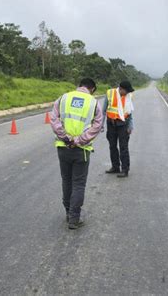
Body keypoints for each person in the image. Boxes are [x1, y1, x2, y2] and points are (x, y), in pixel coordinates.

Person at [50, 78, 103, 230]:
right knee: (78, 183)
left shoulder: (63, 98)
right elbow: (97, 126)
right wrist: (79, 140)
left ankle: (68, 212)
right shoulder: (93, 102)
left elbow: (54, 120)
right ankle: (74, 218)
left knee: (66, 181)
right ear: (92, 89)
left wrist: (66, 138)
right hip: (82, 150)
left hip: (63, 147)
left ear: (79, 85)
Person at [103, 80, 135, 178]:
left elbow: (129, 113)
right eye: (126, 91)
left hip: (123, 124)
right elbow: (104, 110)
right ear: (121, 89)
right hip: (111, 123)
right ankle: (115, 167)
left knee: (123, 147)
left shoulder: (128, 96)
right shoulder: (110, 93)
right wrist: (100, 125)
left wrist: (130, 126)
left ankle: (125, 169)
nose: (128, 93)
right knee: (112, 146)